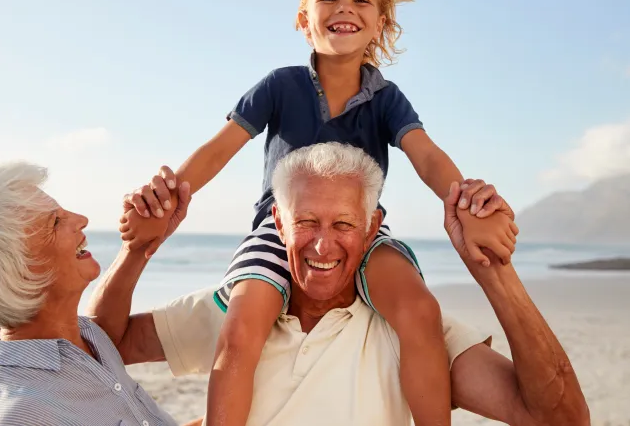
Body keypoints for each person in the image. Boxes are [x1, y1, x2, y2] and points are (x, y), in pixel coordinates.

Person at [120, 0, 516, 424]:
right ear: (304, 20)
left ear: (379, 23)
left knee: (421, 309)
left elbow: (426, 157)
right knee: (243, 321)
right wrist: (165, 198)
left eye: (360, 0)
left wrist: (469, 203)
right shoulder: (279, 85)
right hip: (283, 226)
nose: (345, 8)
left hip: (358, 227)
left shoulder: (388, 100)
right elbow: (218, 149)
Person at [109, 143, 589, 425]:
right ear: (277, 222)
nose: (322, 246)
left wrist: (493, 271)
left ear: (372, 224)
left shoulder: (413, 331)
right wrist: (136, 251)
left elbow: (561, 418)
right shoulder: (231, 311)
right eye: (307, 223)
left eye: (343, 225)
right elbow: (92, 345)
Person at [0, 161, 194, 426]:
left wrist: (139, 246)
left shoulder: (88, 337)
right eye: (55, 222)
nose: (81, 220)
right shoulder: (20, 415)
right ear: (21, 272)